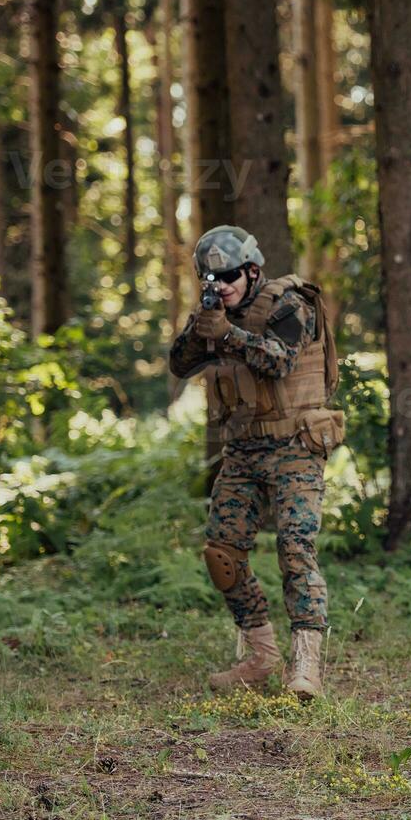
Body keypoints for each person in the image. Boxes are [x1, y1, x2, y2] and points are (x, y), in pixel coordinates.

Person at [169, 225, 345, 701]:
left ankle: (306, 665)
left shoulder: (291, 304)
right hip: (244, 450)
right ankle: (261, 655)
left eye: (228, 277)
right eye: (211, 280)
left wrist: (231, 334)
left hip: (295, 446)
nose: (221, 286)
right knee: (221, 554)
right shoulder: (217, 312)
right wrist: (202, 329)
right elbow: (178, 364)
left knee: (295, 549)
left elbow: (280, 362)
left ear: (251, 270)